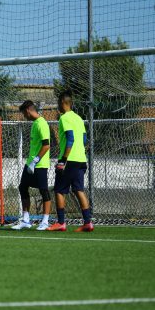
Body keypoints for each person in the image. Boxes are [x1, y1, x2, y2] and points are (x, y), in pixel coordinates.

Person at [47, 91, 94, 232]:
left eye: (57, 103)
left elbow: (71, 138)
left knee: (59, 190)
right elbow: (85, 139)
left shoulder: (64, 118)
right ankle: (88, 222)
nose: (57, 106)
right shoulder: (79, 118)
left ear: (62, 102)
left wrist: (63, 160)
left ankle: (61, 222)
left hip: (70, 160)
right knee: (79, 190)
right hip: (81, 159)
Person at [11, 100, 52, 231]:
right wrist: (31, 162)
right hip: (30, 164)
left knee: (44, 191)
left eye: (24, 113)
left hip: (40, 164)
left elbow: (46, 145)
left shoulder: (42, 124)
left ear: (28, 110)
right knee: (22, 187)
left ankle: (45, 221)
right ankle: (26, 220)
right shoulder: (34, 124)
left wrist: (36, 161)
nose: (24, 116)